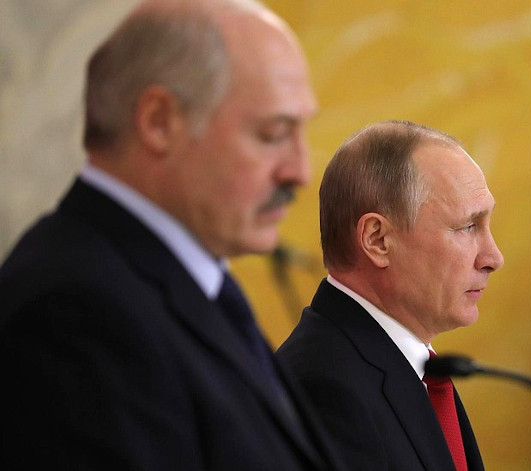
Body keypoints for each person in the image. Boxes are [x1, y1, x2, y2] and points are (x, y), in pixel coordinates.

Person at [0, 0, 345, 469]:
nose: (300, 171)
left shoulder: (184, 283)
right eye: (272, 134)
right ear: (159, 122)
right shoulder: (77, 313)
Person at [276, 120, 504, 471]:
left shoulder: (414, 367)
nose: (493, 258)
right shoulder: (324, 389)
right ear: (378, 240)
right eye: (467, 227)